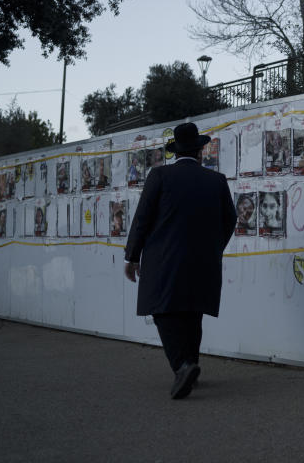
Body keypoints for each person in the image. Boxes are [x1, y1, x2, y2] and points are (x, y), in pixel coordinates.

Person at [124, 122, 236, 400]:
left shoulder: (159, 176)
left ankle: (183, 367)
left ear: (176, 152)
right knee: (192, 312)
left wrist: (132, 255)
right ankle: (192, 365)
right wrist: (213, 248)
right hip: (203, 260)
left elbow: (142, 219)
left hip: (165, 258)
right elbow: (230, 220)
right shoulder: (216, 180)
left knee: (162, 310)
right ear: (199, 151)